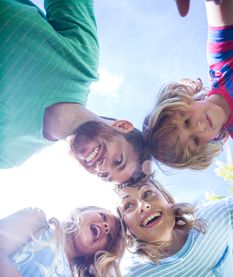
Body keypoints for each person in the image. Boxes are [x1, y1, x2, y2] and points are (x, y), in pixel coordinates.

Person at [0, 0, 150, 184]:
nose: (101, 167)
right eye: (118, 160)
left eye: (103, 175)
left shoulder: (9, 154)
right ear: (122, 126)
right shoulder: (81, 61)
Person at [143, 0, 233, 171]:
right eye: (195, 141)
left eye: (186, 121)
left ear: (182, 101)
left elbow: (219, 6)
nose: (199, 127)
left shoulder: (221, 61)